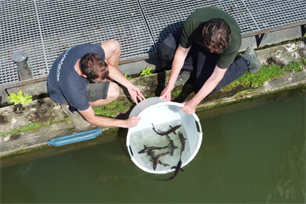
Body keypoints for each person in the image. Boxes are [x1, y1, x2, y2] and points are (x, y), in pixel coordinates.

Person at [158, 6, 262, 115]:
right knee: (165, 50)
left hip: (208, 50)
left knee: (204, 87)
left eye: (215, 49)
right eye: (211, 47)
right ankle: (197, 68)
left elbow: (217, 75)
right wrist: (170, 85)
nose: (212, 50)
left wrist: (194, 102)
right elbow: (181, 53)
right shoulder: (193, 24)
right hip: (196, 41)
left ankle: (247, 60)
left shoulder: (233, 43)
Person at [47, 40, 145, 128]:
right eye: (101, 80)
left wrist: (129, 85)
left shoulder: (90, 52)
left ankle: (102, 85)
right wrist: (124, 123)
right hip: (61, 94)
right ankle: (73, 107)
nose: (105, 80)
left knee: (113, 45)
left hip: (66, 70)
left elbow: (106, 67)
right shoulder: (74, 89)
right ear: (85, 76)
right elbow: (92, 118)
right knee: (114, 91)